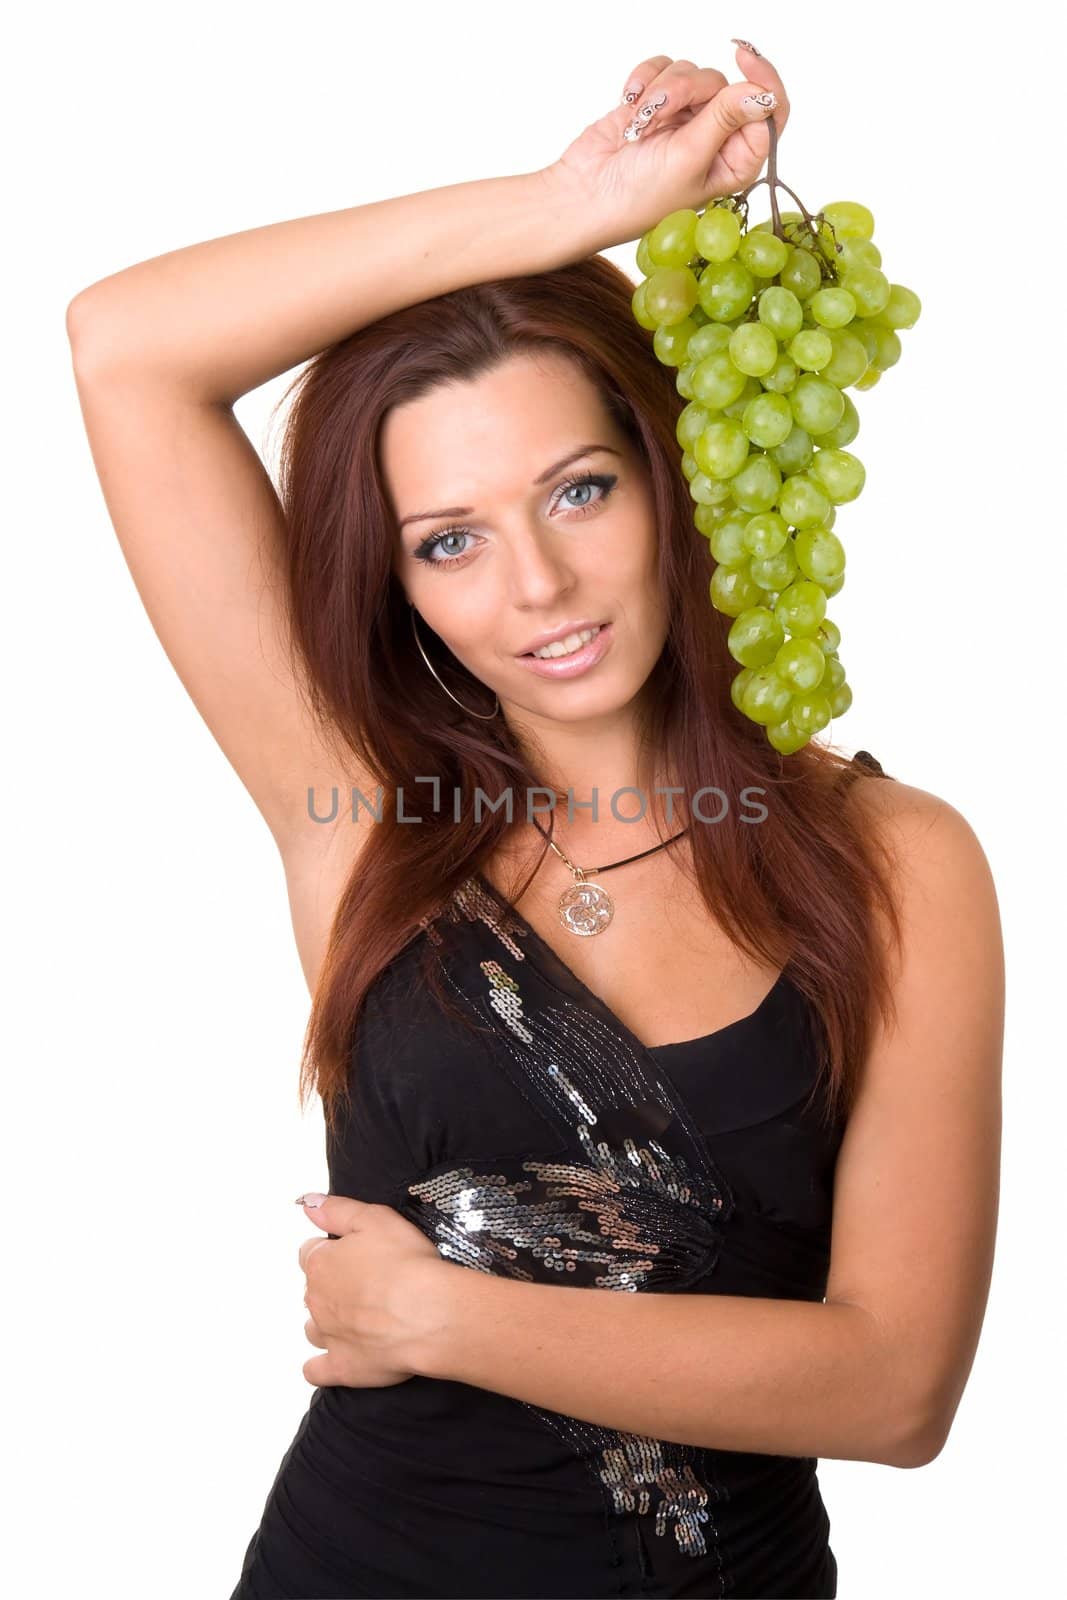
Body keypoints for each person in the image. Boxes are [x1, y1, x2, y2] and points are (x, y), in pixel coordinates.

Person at [66, 41, 1004, 1600]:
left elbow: (895, 1390)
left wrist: (443, 1317)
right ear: (400, 583)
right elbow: (127, 347)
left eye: (577, 491)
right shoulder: (360, 819)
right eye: (450, 541)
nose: (537, 590)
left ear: (669, 469)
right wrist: (571, 205)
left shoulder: (897, 863)